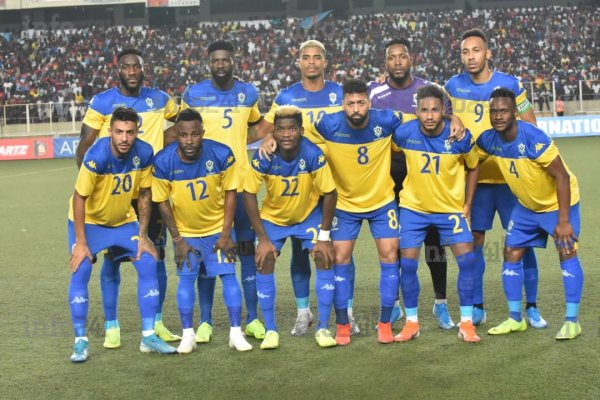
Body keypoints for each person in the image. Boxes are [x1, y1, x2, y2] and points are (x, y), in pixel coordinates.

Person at [76, 48, 180, 346]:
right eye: (126, 66)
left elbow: (184, 121)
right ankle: (112, 326)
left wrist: (164, 141)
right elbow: (85, 143)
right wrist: (89, 182)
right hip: (117, 194)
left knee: (155, 256)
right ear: (117, 70)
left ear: (144, 69)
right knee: (112, 260)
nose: (132, 71)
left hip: (150, 189)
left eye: (137, 66)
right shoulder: (102, 102)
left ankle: (156, 322)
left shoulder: (159, 98)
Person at [444, 28, 545, 328]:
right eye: (465, 52)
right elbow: (438, 111)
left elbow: (530, 123)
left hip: (511, 181)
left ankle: (531, 306)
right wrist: (452, 116)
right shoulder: (452, 86)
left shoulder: (510, 84)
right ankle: (477, 307)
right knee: (474, 242)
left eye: (476, 50)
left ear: (488, 53)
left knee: (522, 241)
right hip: (474, 182)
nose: (471, 57)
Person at [306, 79, 412, 345]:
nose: (356, 108)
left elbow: (421, 117)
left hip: (382, 203)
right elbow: (294, 132)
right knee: (340, 260)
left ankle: (385, 323)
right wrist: (269, 138)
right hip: (344, 205)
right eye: (350, 103)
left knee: (390, 257)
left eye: (361, 103)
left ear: (369, 102)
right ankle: (343, 324)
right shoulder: (327, 124)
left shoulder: (386, 119)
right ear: (342, 104)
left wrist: (452, 117)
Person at [67, 107, 177, 363]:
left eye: (129, 132)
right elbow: (79, 197)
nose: (124, 138)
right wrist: (81, 243)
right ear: (110, 131)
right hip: (90, 223)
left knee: (148, 261)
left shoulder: (144, 152)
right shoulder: (96, 156)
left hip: (123, 221)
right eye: (119, 132)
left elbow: (145, 193)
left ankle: (148, 337)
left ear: (137, 132)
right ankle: (81, 341)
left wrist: (143, 234)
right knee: (81, 267)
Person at [254, 39, 345, 336]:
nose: (312, 62)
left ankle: (346, 313)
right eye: (306, 57)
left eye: (317, 57)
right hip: (297, 179)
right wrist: (268, 137)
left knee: (339, 250)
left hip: (334, 180)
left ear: (325, 62)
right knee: (298, 250)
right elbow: (272, 127)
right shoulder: (286, 96)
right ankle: (303, 313)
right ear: (299, 62)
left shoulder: (339, 93)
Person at [477, 88, 583, 340]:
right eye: (494, 111)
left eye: (504, 111)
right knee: (511, 252)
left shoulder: (533, 137)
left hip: (557, 204)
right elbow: (471, 161)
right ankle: (516, 319)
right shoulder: (488, 140)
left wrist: (564, 221)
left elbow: (562, 177)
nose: (498, 116)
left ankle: (572, 322)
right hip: (526, 206)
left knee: (566, 251)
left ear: (515, 112)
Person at [369, 38, 459, 330]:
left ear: (411, 59)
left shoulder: (429, 89)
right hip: (389, 180)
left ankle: (440, 303)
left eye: (402, 56)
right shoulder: (374, 92)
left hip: (425, 178)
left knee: (434, 243)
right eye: (391, 57)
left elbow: (447, 116)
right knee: (394, 244)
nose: (397, 62)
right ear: (385, 63)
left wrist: (456, 117)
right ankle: (395, 304)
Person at [181, 41, 265, 343]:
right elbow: (182, 132)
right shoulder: (193, 94)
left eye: (225, 60)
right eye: (215, 60)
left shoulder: (248, 93)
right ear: (209, 63)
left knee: (246, 253)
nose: (220, 65)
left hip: (241, 187)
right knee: (208, 256)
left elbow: (258, 127)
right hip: (208, 190)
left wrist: (244, 141)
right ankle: (205, 321)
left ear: (234, 61)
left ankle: (252, 319)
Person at [152, 109, 253, 352]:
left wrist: (226, 234)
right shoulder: (163, 161)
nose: (189, 140)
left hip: (218, 230)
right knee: (186, 279)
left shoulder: (221, 154)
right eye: (183, 135)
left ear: (202, 133)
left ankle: (235, 333)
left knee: (229, 276)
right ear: (176, 135)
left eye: (194, 134)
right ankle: (188, 335)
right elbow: (162, 202)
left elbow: (231, 193)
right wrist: (177, 239)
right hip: (186, 234)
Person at [391, 85, 480, 343]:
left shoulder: (459, 136)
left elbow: (474, 167)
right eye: (424, 110)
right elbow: (392, 153)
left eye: (435, 110)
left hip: (450, 209)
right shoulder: (404, 133)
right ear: (416, 111)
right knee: (408, 265)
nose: (429, 115)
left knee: (467, 262)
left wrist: (468, 203)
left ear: (443, 111)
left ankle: (466, 323)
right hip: (413, 209)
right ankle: (411, 323)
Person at [244, 106, 338, 349]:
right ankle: (271, 330)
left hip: (307, 216)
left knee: (324, 256)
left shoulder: (313, 154)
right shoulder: (264, 155)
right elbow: (248, 194)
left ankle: (323, 328)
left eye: (292, 129)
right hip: (274, 218)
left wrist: (324, 236)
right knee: (264, 258)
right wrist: (263, 238)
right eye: (281, 129)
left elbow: (330, 192)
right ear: (273, 132)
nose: (286, 134)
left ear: (301, 131)